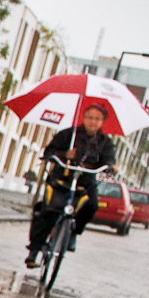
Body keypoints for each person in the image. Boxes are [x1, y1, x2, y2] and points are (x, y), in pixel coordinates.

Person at [25, 104, 117, 267]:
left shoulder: (106, 143)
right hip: (61, 180)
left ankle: (73, 232)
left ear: (102, 122)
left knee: (92, 205)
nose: (92, 122)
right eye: (89, 117)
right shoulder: (68, 134)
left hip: (85, 184)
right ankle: (34, 251)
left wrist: (111, 166)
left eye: (97, 119)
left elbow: (109, 160)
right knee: (46, 211)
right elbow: (48, 152)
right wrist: (63, 154)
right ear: (83, 117)